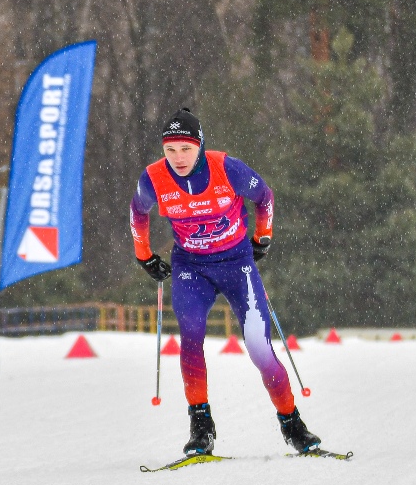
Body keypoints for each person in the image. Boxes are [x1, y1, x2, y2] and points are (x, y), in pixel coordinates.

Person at [129, 107, 322, 456]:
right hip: (192, 267)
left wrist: (263, 236)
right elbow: (137, 211)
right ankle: (201, 426)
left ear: (200, 145)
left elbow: (265, 197)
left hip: (236, 263)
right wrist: (144, 255)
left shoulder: (226, 167)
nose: (178, 158)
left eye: (186, 149)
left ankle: (292, 424)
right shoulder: (153, 178)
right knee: (191, 335)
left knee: (259, 347)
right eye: (170, 150)